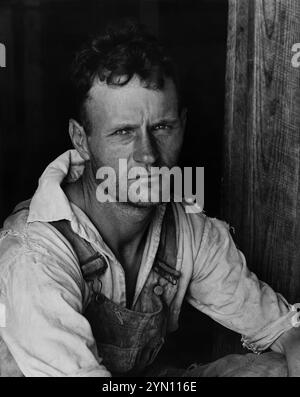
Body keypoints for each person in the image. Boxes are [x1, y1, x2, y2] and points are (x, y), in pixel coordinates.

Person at [0, 19, 299, 377]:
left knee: (276, 369)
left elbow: (283, 327)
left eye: (161, 127)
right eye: (123, 132)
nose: (148, 155)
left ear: (182, 125)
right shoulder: (34, 254)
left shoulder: (187, 230)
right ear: (81, 139)